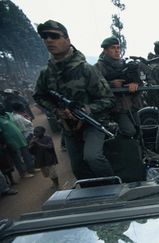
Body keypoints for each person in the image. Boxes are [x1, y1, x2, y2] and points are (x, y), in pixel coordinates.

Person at [33, 20, 115, 182]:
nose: (49, 40)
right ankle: (90, 195)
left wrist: (87, 109)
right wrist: (57, 110)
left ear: (67, 40)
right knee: (77, 167)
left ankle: (113, 187)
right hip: (68, 127)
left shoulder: (86, 69)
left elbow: (108, 99)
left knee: (93, 158)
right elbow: (39, 96)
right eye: (45, 37)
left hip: (92, 123)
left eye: (54, 36)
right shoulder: (46, 73)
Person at [95, 36, 143, 137]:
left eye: (118, 48)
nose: (117, 51)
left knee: (138, 130)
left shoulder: (124, 64)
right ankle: (115, 139)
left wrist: (135, 84)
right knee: (129, 131)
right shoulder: (99, 66)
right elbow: (95, 87)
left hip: (131, 104)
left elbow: (139, 82)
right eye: (113, 48)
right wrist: (111, 84)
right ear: (105, 51)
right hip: (115, 107)